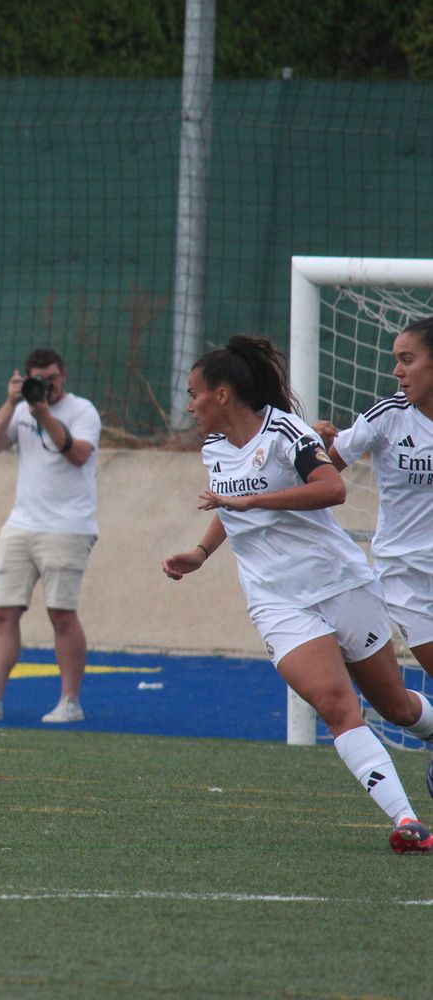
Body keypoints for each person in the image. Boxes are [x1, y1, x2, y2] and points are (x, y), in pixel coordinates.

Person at [161, 335, 433, 854]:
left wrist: (258, 500)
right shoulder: (213, 448)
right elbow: (230, 506)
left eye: (194, 393)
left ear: (221, 394)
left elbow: (333, 489)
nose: (189, 403)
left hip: (341, 582)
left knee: (396, 707)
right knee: (335, 706)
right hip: (278, 600)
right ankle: (407, 820)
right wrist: (201, 552)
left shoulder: (286, 431)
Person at [312, 316, 433, 797]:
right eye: (395, 362)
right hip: (408, 581)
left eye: (408, 360)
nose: (398, 372)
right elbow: (322, 473)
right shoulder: (387, 418)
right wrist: (311, 442)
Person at [0, 347, 100, 725]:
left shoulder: (83, 411)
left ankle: (70, 701)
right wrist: (11, 402)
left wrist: (44, 413)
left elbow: (78, 454)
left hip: (67, 526)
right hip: (22, 523)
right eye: (39, 379)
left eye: (52, 378)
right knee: (2, 612)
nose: (46, 386)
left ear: (63, 376)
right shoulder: (20, 409)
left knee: (61, 614)